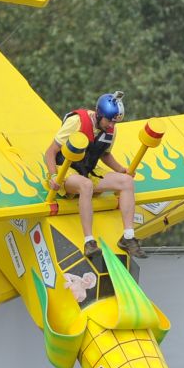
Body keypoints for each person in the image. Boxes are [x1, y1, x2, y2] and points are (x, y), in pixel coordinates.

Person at [42, 92, 143, 256]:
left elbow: (104, 154)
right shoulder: (76, 122)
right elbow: (50, 152)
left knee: (126, 182)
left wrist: (120, 170)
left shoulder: (111, 129)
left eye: (114, 121)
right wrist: (54, 176)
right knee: (86, 185)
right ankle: (89, 241)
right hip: (66, 170)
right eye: (109, 120)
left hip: (88, 170)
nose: (111, 125)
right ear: (100, 114)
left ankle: (128, 237)